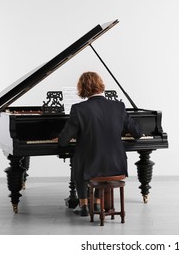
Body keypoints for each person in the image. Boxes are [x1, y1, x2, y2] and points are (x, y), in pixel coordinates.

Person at [58, 71, 142, 216]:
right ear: (101, 86)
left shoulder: (79, 109)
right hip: (116, 163)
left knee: (79, 157)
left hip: (90, 164)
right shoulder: (119, 106)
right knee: (95, 157)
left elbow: (63, 141)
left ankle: (83, 205)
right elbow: (138, 133)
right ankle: (96, 204)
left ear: (82, 88)